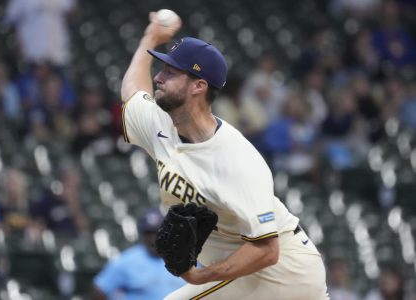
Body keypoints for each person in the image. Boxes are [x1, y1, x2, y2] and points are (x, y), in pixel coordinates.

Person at [119, 11, 329, 299]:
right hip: (249, 271)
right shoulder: (161, 123)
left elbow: (267, 250)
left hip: (281, 273)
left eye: (170, 72)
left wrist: (199, 275)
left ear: (198, 86)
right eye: (161, 68)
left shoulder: (237, 159)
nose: (158, 76)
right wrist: (150, 37)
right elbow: (132, 91)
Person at [92, 208, 185, 300]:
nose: (153, 239)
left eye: (157, 232)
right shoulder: (127, 261)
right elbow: (100, 290)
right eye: (148, 233)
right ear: (142, 235)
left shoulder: (184, 258)